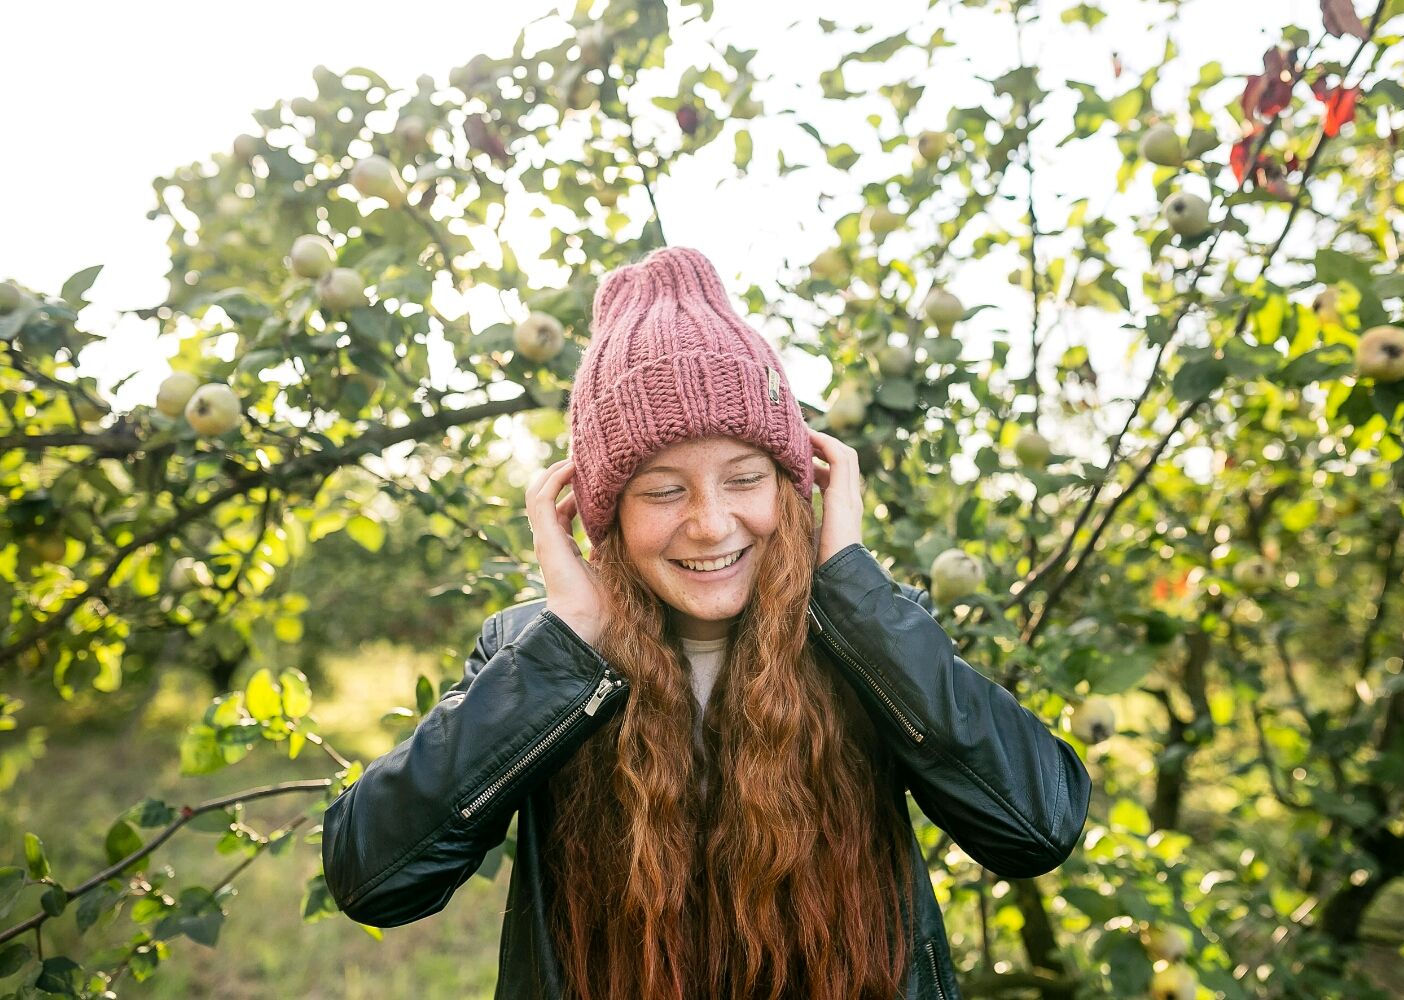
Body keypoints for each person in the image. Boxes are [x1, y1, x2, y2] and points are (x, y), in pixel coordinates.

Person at [320, 246, 1092, 1000]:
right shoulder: (536, 658)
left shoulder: (868, 637)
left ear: (799, 485)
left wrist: (854, 588)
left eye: (745, 477)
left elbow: (1036, 828)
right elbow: (374, 879)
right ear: (602, 515)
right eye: (662, 491)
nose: (711, 524)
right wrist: (563, 648)